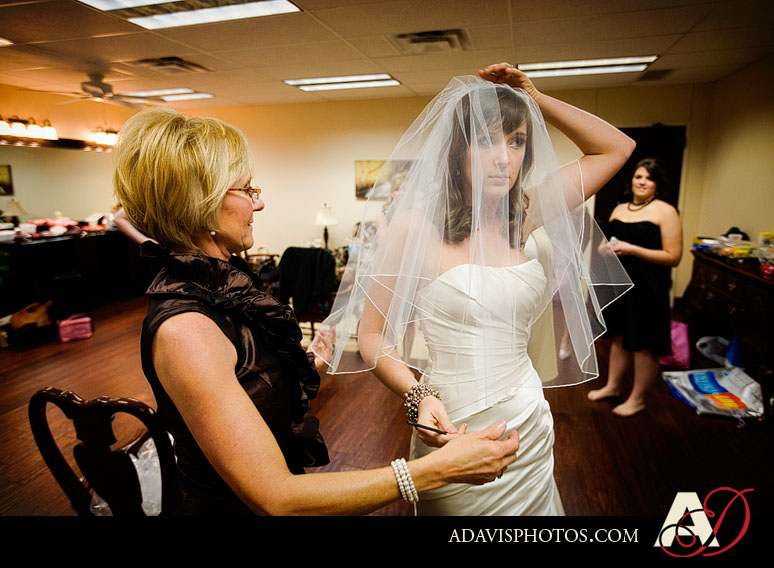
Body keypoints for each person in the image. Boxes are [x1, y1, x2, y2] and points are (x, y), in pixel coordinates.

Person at [112, 107, 519, 515]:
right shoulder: (187, 329)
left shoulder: (221, 287)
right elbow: (276, 497)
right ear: (200, 204)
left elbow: (243, 389)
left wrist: (309, 364)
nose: (261, 203)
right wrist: (436, 470)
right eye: (248, 190)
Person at [317, 64, 634, 515]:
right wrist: (417, 395)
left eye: (517, 140)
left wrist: (535, 98)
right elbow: (372, 337)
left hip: (526, 422)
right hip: (452, 424)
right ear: (459, 151)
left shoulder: (525, 213)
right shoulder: (415, 229)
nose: (505, 157)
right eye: (487, 140)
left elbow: (617, 148)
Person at [588, 158, 682, 416]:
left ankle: (638, 398)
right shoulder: (619, 210)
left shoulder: (666, 211)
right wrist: (604, 249)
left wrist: (632, 249)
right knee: (618, 338)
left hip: (649, 287)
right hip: (621, 286)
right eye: (638, 176)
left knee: (643, 343)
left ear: (657, 185)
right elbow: (604, 244)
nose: (642, 182)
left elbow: (673, 256)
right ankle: (613, 386)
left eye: (648, 178)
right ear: (631, 180)